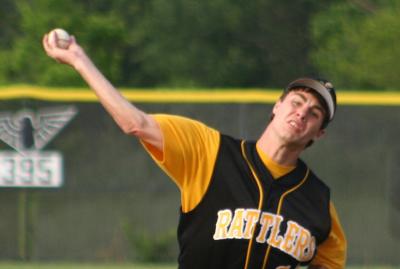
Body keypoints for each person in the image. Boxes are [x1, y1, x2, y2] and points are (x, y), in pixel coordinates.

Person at [42, 32, 347, 269]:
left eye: (315, 112)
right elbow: (135, 123)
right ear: (277, 106)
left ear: (318, 133)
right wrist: (80, 60)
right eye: (296, 101)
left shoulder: (318, 202)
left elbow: (330, 262)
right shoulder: (209, 152)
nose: (302, 112)